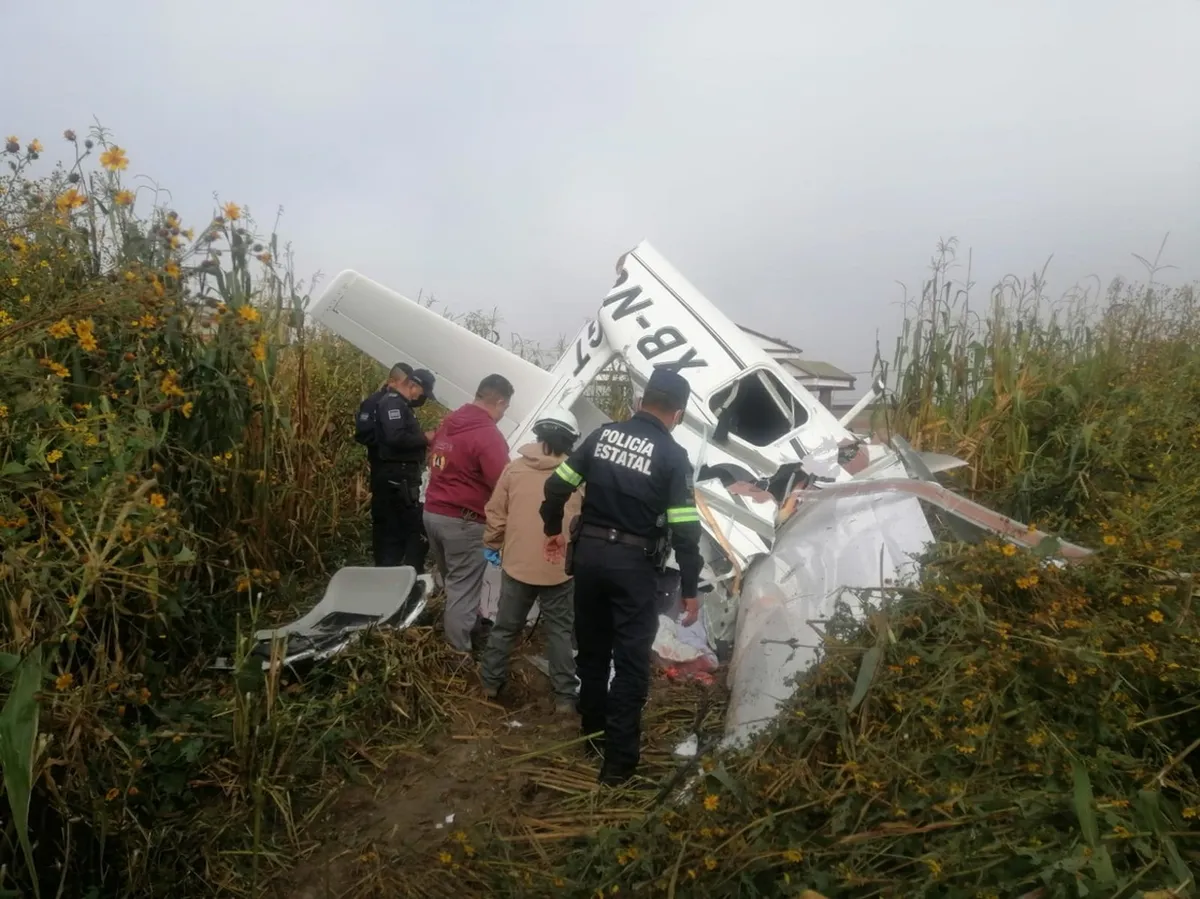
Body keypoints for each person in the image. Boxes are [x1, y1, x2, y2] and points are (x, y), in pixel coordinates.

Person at [540, 368, 702, 786]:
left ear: (640, 400)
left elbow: (557, 486)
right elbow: (685, 528)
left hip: (590, 559)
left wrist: (552, 529)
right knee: (629, 663)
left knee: (591, 651)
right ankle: (618, 765)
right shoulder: (672, 456)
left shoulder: (601, 437)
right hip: (634, 566)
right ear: (678, 414)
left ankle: (591, 733)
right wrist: (689, 588)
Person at [478, 408, 584, 713]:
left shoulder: (514, 470)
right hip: (559, 569)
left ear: (538, 435)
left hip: (517, 565)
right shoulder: (578, 475)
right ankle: (565, 697)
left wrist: (494, 544)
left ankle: (489, 684)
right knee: (560, 633)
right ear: (571, 440)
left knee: (504, 628)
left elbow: (496, 514)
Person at [423, 373, 515, 654]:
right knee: (463, 590)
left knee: (456, 582)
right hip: (464, 522)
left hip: (433, 513)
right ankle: (457, 655)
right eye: (504, 408)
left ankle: (470, 629)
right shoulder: (487, 434)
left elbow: (434, 461)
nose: (501, 415)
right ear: (498, 401)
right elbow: (503, 483)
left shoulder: (449, 424)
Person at [355, 363, 438, 568]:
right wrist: (424, 438)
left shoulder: (399, 404)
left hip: (396, 475)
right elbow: (395, 437)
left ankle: (396, 569)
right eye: (422, 393)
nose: (422, 399)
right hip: (395, 477)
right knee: (401, 527)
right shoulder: (393, 403)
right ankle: (399, 572)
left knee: (396, 527)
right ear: (413, 385)